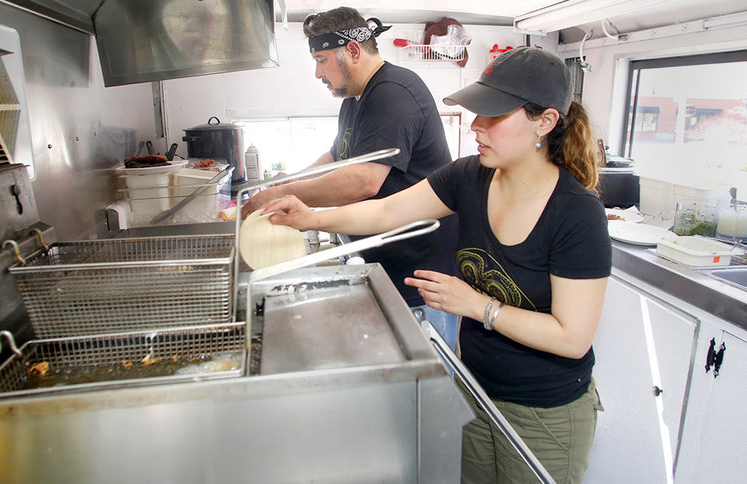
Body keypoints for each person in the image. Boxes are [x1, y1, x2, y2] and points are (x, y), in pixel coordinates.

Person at [260, 46, 611, 483]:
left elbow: (572, 338)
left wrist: (478, 305)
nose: (476, 125)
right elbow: (387, 212)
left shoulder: (576, 212)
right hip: (477, 387)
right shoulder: (468, 176)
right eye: (476, 111)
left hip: (546, 410)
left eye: (494, 115)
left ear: (545, 121)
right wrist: (312, 217)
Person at [241, 7, 459, 350]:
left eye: (321, 59)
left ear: (353, 51)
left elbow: (363, 180)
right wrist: (285, 184)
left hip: (416, 273)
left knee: (427, 386)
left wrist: (286, 196)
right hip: (381, 262)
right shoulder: (356, 99)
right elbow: (336, 157)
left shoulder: (393, 92)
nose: (317, 73)